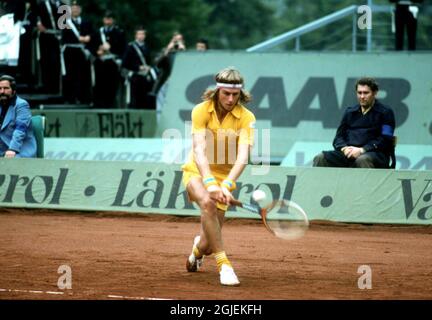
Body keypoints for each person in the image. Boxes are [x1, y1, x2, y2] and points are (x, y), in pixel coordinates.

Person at [182, 67, 256, 286]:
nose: (231, 99)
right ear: (217, 91)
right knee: (207, 203)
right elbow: (199, 150)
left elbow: (242, 157)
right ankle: (224, 265)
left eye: (235, 95)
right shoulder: (201, 110)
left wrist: (226, 184)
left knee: (207, 242)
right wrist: (210, 183)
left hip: (225, 176)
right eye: (226, 94)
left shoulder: (247, 117)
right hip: (197, 170)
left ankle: (197, 250)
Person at [313, 77, 395, 168]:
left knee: (362, 160)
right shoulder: (350, 112)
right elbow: (338, 137)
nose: (362, 96)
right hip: (349, 154)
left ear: (375, 93)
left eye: (366, 93)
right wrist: (344, 149)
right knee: (320, 157)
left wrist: (362, 150)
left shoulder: (386, 112)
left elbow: (386, 139)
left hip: (374, 154)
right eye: (359, 93)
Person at [92, 11, 126, 108]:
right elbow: (92, 45)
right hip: (100, 62)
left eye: (110, 19)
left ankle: (110, 105)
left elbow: (122, 48)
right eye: (106, 18)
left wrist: (110, 47)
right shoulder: (98, 32)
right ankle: (98, 105)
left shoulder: (119, 32)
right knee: (99, 85)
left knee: (111, 86)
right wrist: (98, 50)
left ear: (113, 20)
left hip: (112, 62)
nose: (108, 21)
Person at [61, 1, 93, 104]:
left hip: (82, 52)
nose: (75, 10)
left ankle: (82, 98)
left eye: (77, 8)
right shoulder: (65, 22)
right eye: (73, 8)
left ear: (80, 10)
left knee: (82, 75)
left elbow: (92, 34)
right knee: (69, 75)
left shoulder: (86, 22)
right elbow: (63, 37)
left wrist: (88, 37)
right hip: (70, 52)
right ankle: (69, 98)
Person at [0, 74, 36, 158]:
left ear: (14, 90)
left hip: (20, 150)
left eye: (6, 88)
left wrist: (13, 149)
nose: (2, 91)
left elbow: (20, 130)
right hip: (3, 150)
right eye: (0, 88)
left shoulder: (22, 105)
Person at [121, 26, 156, 109]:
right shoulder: (130, 47)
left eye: (143, 34)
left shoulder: (147, 47)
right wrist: (138, 67)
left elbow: (149, 61)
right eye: (139, 34)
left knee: (145, 99)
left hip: (145, 76)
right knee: (135, 99)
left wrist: (148, 67)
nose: (141, 36)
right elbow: (125, 63)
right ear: (136, 36)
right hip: (135, 76)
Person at [36, 0, 64, 94]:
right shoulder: (41, 4)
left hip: (60, 38)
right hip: (46, 36)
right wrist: (38, 24)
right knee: (46, 61)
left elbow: (67, 23)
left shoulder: (63, 5)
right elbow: (33, 16)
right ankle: (46, 87)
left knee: (57, 63)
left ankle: (57, 88)